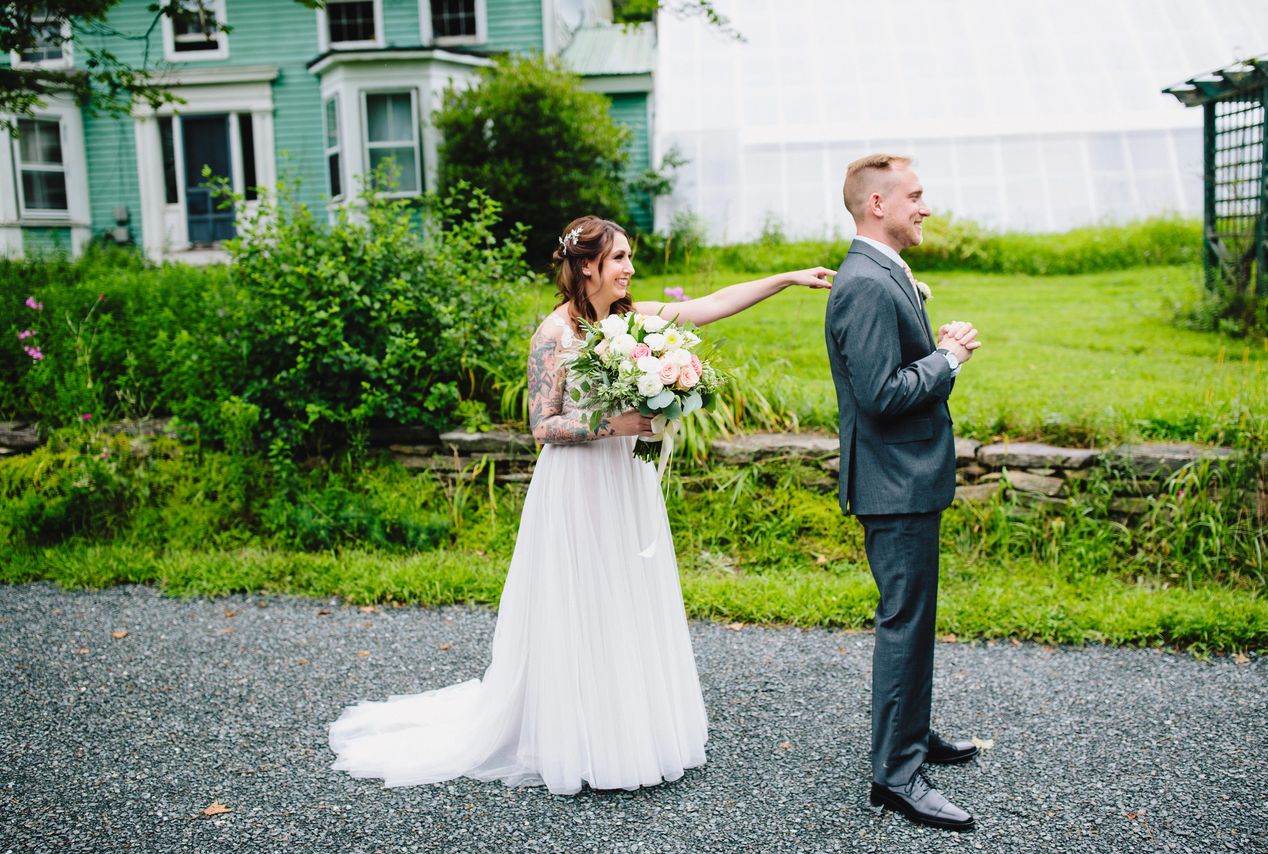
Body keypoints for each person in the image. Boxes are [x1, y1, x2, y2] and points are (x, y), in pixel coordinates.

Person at [328, 215, 834, 795]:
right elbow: (541, 425)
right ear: (587, 265)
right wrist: (612, 422)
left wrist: (790, 277)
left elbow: (713, 303)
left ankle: (627, 725)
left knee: (625, 597)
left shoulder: (629, 322)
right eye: (620, 258)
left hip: (626, 483)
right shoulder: (554, 335)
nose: (630, 269)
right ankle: (578, 735)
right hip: (576, 486)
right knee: (582, 599)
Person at [824, 154, 983, 831]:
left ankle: (912, 741)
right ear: (878, 204)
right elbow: (882, 396)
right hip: (894, 483)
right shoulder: (864, 283)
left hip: (906, 480)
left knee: (914, 624)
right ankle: (894, 778)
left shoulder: (886, 270)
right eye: (915, 196)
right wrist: (948, 358)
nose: (925, 206)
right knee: (904, 625)